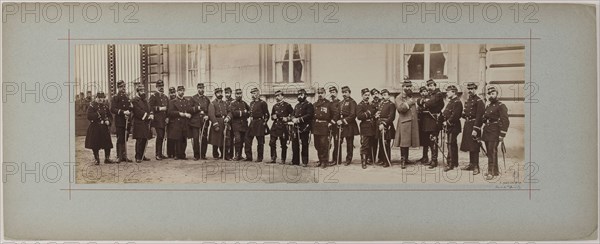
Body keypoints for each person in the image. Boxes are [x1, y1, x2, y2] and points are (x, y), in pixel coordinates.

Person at [482, 86, 509, 180]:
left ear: (497, 94)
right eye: (489, 94)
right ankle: (495, 171)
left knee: (492, 151)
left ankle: (491, 172)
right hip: (487, 131)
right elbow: (485, 118)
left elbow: (505, 121)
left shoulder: (501, 106)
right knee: (490, 152)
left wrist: (502, 134)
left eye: (493, 93)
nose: (491, 95)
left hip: (495, 131)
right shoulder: (488, 106)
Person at [393, 80, 420, 169]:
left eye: (410, 86)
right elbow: (400, 109)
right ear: (403, 87)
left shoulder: (410, 96)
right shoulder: (399, 97)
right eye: (406, 86)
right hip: (404, 122)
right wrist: (410, 102)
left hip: (411, 122)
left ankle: (407, 158)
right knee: (403, 142)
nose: (408, 88)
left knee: (408, 141)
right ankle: (403, 160)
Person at [460, 82, 486, 175]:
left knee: (475, 146)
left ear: (475, 89)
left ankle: (476, 166)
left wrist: (476, 129)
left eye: (472, 89)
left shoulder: (479, 101)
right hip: (468, 124)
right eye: (469, 89)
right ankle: (471, 164)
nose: (470, 91)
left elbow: (480, 116)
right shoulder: (468, 100)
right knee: (470, 145)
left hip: (475, 125)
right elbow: (466, 113)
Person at [419, 79, 445, 169]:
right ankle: (429, 159)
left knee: (433, 140)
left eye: (431, 86)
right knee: (429, 140)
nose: (429, 87)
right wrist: (424, 102)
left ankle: (434, 161)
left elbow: (431, 103)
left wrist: (425, 102)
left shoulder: (438, 94)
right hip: (428, 120)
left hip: (434, 120)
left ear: (434, 85)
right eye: (428, 86)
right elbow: (420, 102)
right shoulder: (431, 94)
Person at [85, 91, 115, 165]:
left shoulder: (105, 106)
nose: (101, 99)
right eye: (99, 98)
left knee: (107, 143)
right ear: (96, 98)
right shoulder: (92, 106)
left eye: (102, 98)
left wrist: (108, 121)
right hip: (95, 127)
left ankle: (107, 158)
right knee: (95, 144)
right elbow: (89, 116)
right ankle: (96, 159)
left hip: (104, 127)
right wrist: (97, 114)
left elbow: (110, 116)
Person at [440, 85, 463, 172]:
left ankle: (451, 164)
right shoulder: (451, 101)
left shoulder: (457, 102)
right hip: (450, 126)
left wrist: (447, 122)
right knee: (452, 144)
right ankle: (454, 162)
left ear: (454, 92)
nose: (447, 93)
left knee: (450, 144)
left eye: (448, 91)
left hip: (453, 126)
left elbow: (455, 116)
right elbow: (446, 112)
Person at [110, 80, 133, 163]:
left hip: (126, 121)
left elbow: (129, 108)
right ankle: (119, 156)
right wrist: (123, 112)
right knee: (120, 138)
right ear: (118, 87)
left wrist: (130, 109)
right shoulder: (115, 97)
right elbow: (112, 109)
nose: (123, 88)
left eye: (124, 86)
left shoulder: (127, 97)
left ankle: (124, 155)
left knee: (125, 138)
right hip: (119, 121)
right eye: (121, 87)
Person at [245, 88, 269, 162]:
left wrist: (264, 122)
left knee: (260, 142)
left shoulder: (263, 103)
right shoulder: (251, 103)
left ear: (258, 94)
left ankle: (260, 158)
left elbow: (267, 114)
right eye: (252, 93)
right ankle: (249, 157)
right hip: (252, 123)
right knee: (247, 139)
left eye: (254, 93)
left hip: (259, 123)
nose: (253, 95)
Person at [269, 90, 294, 164]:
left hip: (283, 126)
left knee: (283, 144)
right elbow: (272, 116)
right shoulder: (275, 106)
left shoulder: (287, 105)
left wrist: (287, 118)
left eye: (278, 95)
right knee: (272, 142)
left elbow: (293, 115)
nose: (277, 97)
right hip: (275, 126)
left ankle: (283, 159)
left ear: (282, 96)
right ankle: (273, 157)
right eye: (276, 96)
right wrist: (273, 117)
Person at [336, 86, 359, 166]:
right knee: (339, 142)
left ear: (349, 92)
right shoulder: (341, 103)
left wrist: (342, 121)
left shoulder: (352, 102)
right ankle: (337, 159)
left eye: (346, 92)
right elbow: (338, 113)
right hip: (341, 126)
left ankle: (348, 159)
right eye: (343, 92)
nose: (344, 94)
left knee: (349, 143)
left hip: (349, 125)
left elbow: (353, 115)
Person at [131, 84, 154, 163]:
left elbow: (149, 108)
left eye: (143, 90)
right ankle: (138, 156)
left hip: (145, 123)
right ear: (138, 91)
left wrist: (151, 114)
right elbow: (137, 111)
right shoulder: (134, 100)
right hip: (139, 122)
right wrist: (147, 116)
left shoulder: (145, 100)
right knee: (139, 140)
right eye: (141, 91)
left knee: (145, 139)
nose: (143, 92)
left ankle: (143, 154)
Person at [168, 86, 192, 160]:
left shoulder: (186, 101)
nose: (182, 92)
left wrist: (190, 114)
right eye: (180, 91)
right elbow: (170, 112)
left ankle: (183, 154)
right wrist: (179, 113)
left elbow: (189, 109)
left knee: (184, 139)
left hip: (184, 122)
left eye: (182, 90)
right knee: (177, 139)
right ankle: (177, 154)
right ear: (177, 92)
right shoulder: (173, 101)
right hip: (176, 123)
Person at [291, 89, 314, 167]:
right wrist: (293, 118)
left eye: (301, 94)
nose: (299, 96)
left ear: (305, 96)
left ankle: (304, 161)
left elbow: (309, 115)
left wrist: (299, 119)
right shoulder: (297, 105)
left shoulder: (309, 105)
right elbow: (292, 114)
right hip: (296, 127)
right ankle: (295, 161)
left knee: (304, 144)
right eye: (298, 95)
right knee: (295, 144)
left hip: (304, 127)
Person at [189, 83, 211, 160]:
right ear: (197, 89)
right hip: (195, 121)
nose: (201, 90)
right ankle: (196, 155)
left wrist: (207, 115)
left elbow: (209, 110)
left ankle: (203, 154)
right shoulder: (193, 98)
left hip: (204, 121)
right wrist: (197, 108)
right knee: (195, 138)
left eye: (202, 88)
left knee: (204, 138)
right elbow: (189, 109)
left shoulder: (206, 99)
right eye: (199, 88)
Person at [312, 87, 333, 168]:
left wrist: (331, 123)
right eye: (319, 93)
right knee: (317, 145)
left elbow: (335, 115)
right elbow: (312, 117)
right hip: (316, 127)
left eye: (322, 93)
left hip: (324, 126)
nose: (320, 95)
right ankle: (320, 160)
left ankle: (325, 161)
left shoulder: (329, 104)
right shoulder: (314, 104)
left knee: (324, 144)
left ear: (324, 94)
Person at [149, 80, 169, 160]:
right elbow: (150, 107)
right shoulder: (153, 96)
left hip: (164, 120)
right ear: (156, 87)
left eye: (162, 86)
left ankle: (161, 153)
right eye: (159, 86)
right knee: (159, 136)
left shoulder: (165, 97)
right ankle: (158, 154)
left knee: (162, 136)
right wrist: (159, 108)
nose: (161, 87)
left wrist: (167, 117)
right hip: (157, 120)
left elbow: (168, 108)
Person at [356, 88, 377, 169]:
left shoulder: (372, 105)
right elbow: (359, 116)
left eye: (368, 95)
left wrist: (375, 115)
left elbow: (375, 113)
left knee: (373, 144)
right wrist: (368, 113)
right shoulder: (360, 105)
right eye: (365, 95)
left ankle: (371, 159)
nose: (367, 97)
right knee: (365, 145)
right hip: (365, 127)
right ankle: (363, 162)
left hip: (372, 126)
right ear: (362, 95)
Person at [228, 88, 251, 161]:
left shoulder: (244, 103)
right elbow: (234, 113)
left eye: (240, 93)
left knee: (245, 140)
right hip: (236, 125)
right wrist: (243, 112)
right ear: (235, 95)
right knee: (237, 140)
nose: (239, 95)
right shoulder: (232, 103)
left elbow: (249, 112)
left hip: (244, 125)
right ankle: (237, 155)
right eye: (237, 94)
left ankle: (243, 155)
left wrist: (243, 113)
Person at [376, 89, 396, 167]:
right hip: (380, 124)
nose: (383, 96)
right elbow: (379, 113)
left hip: (387, 126)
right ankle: (382, 159)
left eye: (385, 95)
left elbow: (391, 117)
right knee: (381, 143)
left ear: (389, 95)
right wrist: (376, 116)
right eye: (382, 95)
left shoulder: (391, 104)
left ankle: (387, 161)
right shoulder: (381, 103)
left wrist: (384, 124)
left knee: (386, 144)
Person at [208, 87, 229, 159]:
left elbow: (229, 112)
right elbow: (211, 115)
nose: (219, 94)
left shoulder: (225, 103)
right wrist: (215, 124)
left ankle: (224, 154)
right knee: (216, 139)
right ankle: (215, 154)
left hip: (224, 122)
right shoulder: (212, 103)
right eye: (218, 93)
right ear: (215, 94)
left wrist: (228, 117)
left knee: (223, 139)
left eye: (220, 92)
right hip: (217, 121)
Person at [328, 86, 342, 164]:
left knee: (337, 142)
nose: (332, 94)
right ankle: (326, 158)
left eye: (333, 92)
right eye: (331, 92)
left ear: (336, 93)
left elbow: (337, 113)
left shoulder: (339, 102)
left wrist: (332, 121)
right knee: (328, 142)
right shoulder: (329, 103)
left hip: (335, 125)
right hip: (329, 125)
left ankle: (337, 160)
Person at [369, 88, 381, 164]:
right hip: (373, 124)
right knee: (373, 141)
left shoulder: (382, 102)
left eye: (376, 93)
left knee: (382, 142)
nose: (375, 95)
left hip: (381, 123)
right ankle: (371, 158)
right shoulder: (370, 104)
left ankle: (381, 158)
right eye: (373, 94)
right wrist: (374, 116)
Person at [223, 87, 235, 160]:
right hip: (227, 122)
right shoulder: (224, 102)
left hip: (234, 122)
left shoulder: (234, 102)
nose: (227, 94)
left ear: (231, 93)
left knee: (232, 139)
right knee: (227, 139)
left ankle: (231, 155)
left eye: (228, 93)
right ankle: (226, 154)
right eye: (226, 93)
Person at [166, 87, 177, 158]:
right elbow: (166, 111)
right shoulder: (168, 101)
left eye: (173, 92)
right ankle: (170, 153)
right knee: (170, 137)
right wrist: (166, 117)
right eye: (171, 93)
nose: (172, 94)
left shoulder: (177, 100)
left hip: (176, 121)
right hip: (170, 121)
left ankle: (175, 152)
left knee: (175, 137)